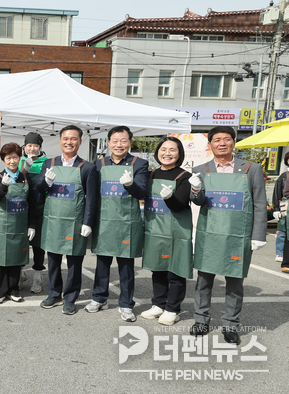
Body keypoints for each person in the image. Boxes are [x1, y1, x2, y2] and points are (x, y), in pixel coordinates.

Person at [189, 126, 268, 344]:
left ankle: (231, 325)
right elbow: (197, 201)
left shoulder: (251, 169)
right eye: (217, 140)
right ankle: (201, 320)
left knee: (234, 282)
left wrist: (258, 234)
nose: (222, 143)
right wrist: (195, 191)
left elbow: (260, 203)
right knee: (203, 281)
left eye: (226, 139)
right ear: (210, 145)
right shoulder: (201, 169)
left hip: (237, 235)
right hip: (210, 234)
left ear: (234, 142)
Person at [86, 126, 148, 322]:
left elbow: (142, 193)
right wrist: (88, 221)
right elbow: (92, 195)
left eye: (123, 140)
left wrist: (131, 185)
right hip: (104, 220)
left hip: (127, 223)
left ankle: (126, 304)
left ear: (130, 142)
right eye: (114, 140)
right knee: (102, 264)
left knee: (126, 266)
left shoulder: (140, 164)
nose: (118, 144)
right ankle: (99, 297)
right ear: (108, 143)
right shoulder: (99, 164)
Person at [36, 125, 99, 315]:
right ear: (60, 140)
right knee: (53, 260)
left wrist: (87, 222)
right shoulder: (49, 163)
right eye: (65, 138)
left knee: (74, 263)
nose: (69, 142)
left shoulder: (87, 167)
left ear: (80, 142)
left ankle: (70, 297)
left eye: (73, 139)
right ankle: (54, 294)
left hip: (74, 223)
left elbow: (92, 198)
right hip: (53, 221)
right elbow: (38, 190)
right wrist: (45, 183)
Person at [139, 137, 193, 326]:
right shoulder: (150, 175)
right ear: (157, 152)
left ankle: (173, 308)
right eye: (163, 149)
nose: (167, 153)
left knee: (175, 270)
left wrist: (169, 197)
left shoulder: (185, 176)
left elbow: (179, 205)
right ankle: (158, 304)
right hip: (155, 229)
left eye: (172, 150)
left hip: (176, 230)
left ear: (179, 154)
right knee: (158, 268)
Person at [0, 142, 33, 304]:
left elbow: (32, 203)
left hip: (19, 224)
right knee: (0, 259)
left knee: (16, 258)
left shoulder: (25, 179)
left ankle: (14, 289)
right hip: (0, 225)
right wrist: (4, 186)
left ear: (19, 159)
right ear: (3, 160)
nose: (12, 161)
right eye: (8, 158)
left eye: (15, 157)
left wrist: (32, 225)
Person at [20, 132, 48, 294]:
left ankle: (37, 276)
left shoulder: (47, 163)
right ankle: (20, 273)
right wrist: (23, 170)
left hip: (40, 209)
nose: (32, 148)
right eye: (29, 145)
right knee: (21, 243)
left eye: (35, 146)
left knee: (38, 245)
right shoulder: (19, 161)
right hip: (22, 209)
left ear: (40, 148)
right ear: (24, 147)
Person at [271, 152, 289, 265]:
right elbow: (277, 192)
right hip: (285, 206)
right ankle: (280, 253)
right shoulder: (283, 176)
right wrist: (276, 209)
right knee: (282, 230)